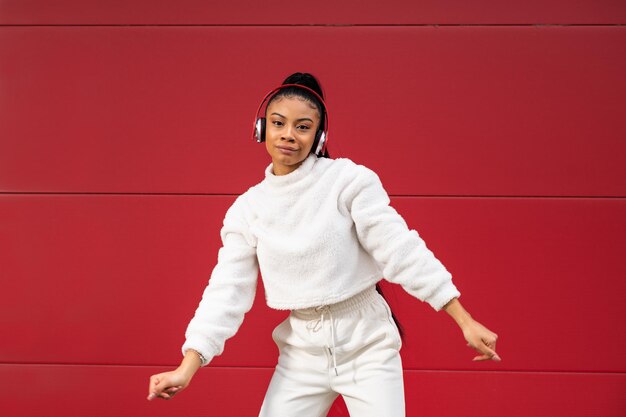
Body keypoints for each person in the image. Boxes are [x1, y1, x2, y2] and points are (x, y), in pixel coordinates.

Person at [147, 72, 500, 416]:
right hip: (302, 352)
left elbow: (399, 248)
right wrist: (187, 366)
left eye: (302, 127)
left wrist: (463, 319)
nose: (288, 135)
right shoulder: (247, 209)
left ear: (318, 136)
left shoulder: (348, 181)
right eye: (278, 123)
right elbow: (226, 291)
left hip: (368, 347)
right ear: (261, 129)